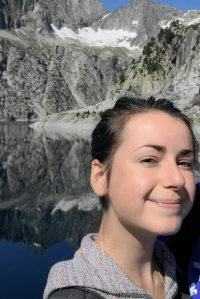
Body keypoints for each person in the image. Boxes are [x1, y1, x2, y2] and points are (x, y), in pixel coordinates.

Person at [43, 97, 198, 299]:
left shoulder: (177, 270)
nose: (177, 179)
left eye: (185, 163)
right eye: (149, 159)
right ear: (100, 177)